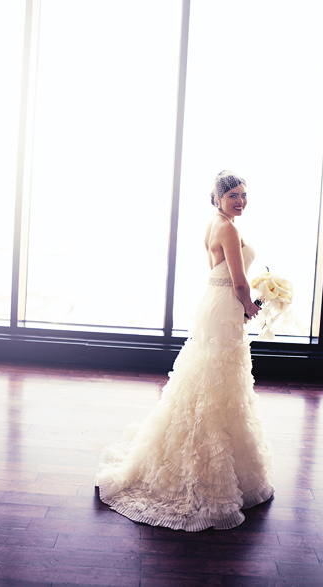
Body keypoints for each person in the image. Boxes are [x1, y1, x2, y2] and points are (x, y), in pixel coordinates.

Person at [95, 170, 274, 531]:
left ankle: (207, 454)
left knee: (209, 378)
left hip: (213, 302)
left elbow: (225, 272)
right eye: (233, 195)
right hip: (225, 307)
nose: (240, 200)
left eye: (244, 194)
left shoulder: (214, 224)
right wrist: (251, 307)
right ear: (219, 198)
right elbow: (238, 282)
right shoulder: (230, 228)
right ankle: (205, 466)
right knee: (219, 381)